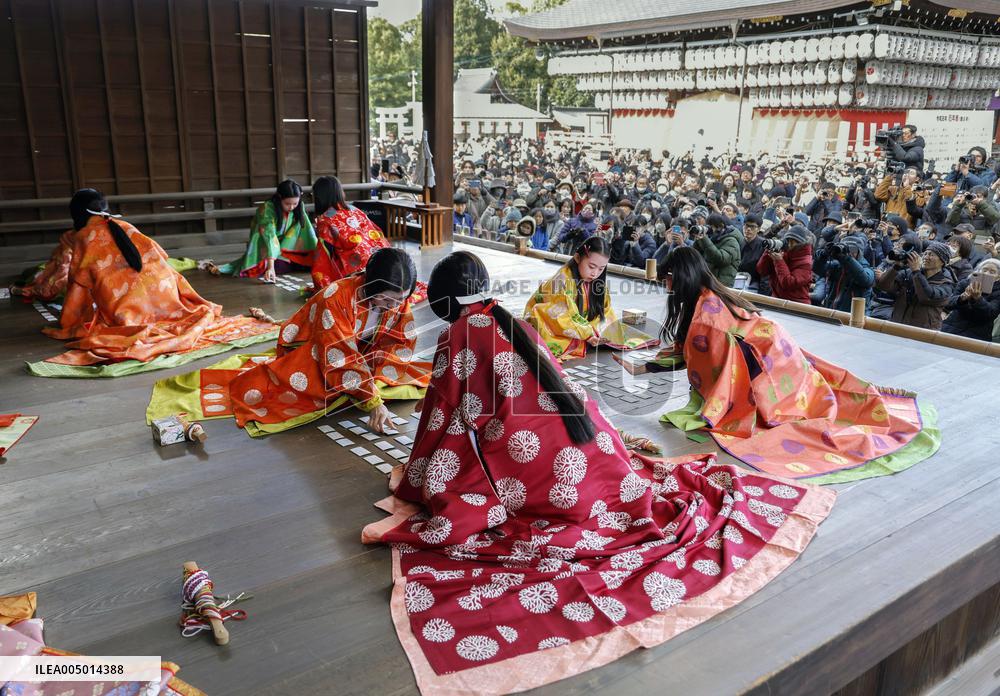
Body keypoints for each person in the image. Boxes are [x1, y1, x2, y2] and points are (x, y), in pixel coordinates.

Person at [361, 250, 833, 689]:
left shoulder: (458, 334)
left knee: (456, 471)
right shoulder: (514, 321)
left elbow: (444, 413)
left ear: (444, 302)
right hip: (596, 457)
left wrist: (422, 472)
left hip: (544, 476)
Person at [657, 246, 936, 480]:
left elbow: (712, 362)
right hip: (773, 348)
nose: (666, 284)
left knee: (798, 408)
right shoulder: (708, 298)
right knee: (816, 388)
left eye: (668, 277)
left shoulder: (708, 314)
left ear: (681, 276)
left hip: (771, 358)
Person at [39, 189, 273, 369]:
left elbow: (77, 287)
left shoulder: (82, 237)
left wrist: (68, 322)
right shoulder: (125, 226)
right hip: (167, 298)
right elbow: (163, 262)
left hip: (128, 310)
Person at [229, 248, 431, 433]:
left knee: (408, 377)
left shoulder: (396, 302)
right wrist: (373, 400)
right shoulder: (336, 298)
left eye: (402, 299)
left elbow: (400, 342)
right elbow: (337, 353)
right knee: (308, 392)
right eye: (388, 300)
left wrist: (375, 380)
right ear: (370, 285)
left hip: (354, 351)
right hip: (314, 352)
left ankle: (360, 381)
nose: (395, 306)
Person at [524, 236, 655, 360]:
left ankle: (584, 333)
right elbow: (562, 315)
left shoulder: (597, 282)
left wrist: (595, 332)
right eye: (591, 266)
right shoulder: (563, 280)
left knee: (609, 331)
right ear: (577, 257)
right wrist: (588, 334)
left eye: (601, 269)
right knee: (550, 342)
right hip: (548, 320)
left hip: (577, 325)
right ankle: (582, 334)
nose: (595, 273)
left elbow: (605, 311)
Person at [214, 179, 316, 283]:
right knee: (265, 267)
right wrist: (270, 267)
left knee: (308, 262)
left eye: (295, 203)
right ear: (279, 197)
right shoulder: (267, 209)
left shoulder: (299, 207)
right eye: (287, 203)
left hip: (286, 247)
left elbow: (306, 229)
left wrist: (316, 253)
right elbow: (269, 235)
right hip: (266, 246)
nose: (291, 207)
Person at [310, 175, 389, 290]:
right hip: (382, 262)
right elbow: (375, 233)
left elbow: (323, 255)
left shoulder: (325, 220)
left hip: (358, 272)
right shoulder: (355, 210)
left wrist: (320, 283)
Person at [874, 241, 957, 330]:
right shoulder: (910, 273)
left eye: (931, 255)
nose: (926, 257)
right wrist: (896, 267)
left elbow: (926, 297)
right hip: (897, 324)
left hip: (923, 331)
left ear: (942, 261)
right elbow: (884, 286)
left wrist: (916, 271)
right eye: (925, 254)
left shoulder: (946, 283)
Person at [942, 259, 1000, 341]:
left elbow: (991, 313)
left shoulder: (998, 292)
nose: (986, 273)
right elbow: (949, 303)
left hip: (977, 334)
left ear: (998, 277)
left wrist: (978, 299)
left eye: (992, 272)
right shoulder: (965, 283)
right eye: (984, 270)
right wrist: (962, 298)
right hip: (952, 328)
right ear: (978, 271)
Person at [755, 225, 813, 304]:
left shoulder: (806, 262)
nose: (789, 244)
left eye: (793, 241)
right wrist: (768, 252)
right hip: (777, 300)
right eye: (788, 240)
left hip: (797, 305)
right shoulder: (783, 252)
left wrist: (779, 261)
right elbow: (761, 270)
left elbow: (788, 283)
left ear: (801, 244)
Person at [817, 235, 876, 311]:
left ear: (859, 253)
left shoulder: (867, 269)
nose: (849, 253)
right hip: (831, 312)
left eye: (852, 251)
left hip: (854, 317)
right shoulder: (837, 266)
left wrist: (847, 259)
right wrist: (823, 255)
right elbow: (818, 270)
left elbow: (865, 279)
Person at [692, 213, 742, 287]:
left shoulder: (732, 241)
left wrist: (705, 240)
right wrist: (698, 240)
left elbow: (721, 259)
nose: (708, 230)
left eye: (711, 227)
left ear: (720, 226)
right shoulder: (710, 238)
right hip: (707, 281)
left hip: (721, 285)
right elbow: (695, 255)